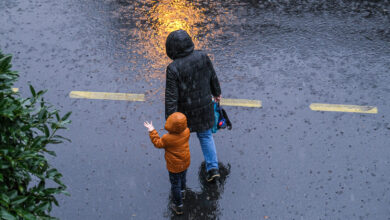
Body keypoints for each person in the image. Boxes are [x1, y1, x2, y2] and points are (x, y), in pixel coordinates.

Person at [165, 29, 222, 182]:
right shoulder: (202, 56)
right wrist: (217, 92)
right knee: (205, 135)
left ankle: (181, 174)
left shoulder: (173, 68)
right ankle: (213, 169)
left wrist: (170, 120)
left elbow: (171, 98)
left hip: (185, 112)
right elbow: (213, 76)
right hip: (204, 107)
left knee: (181, 141)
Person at [144, 112, 190, 215]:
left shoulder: (167, 138)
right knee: (183, 178)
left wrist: (152, 131)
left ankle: (178, 205)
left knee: (175, 185)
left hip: (174, 166)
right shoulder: (187, 131)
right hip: (185, 161)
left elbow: (158, 143)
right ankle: (183, 192)